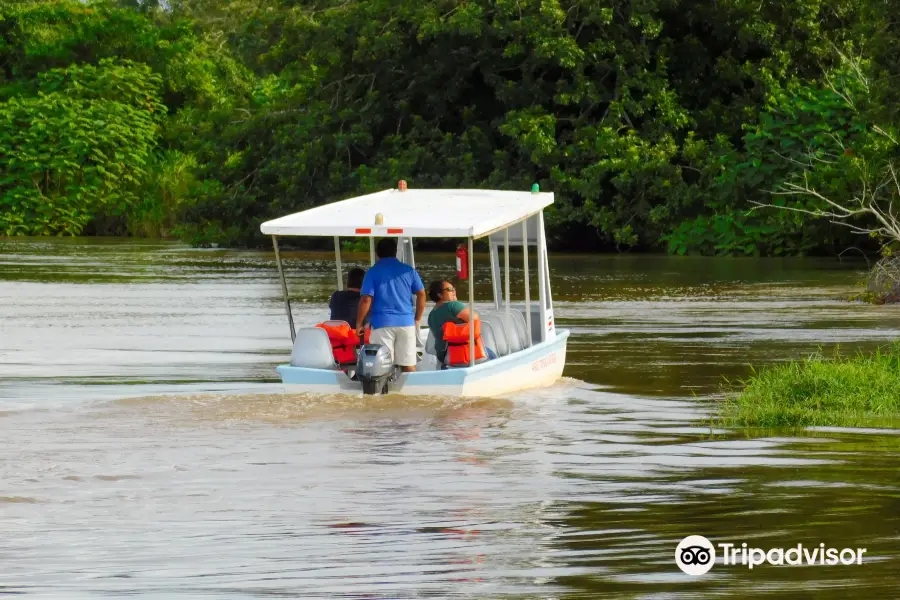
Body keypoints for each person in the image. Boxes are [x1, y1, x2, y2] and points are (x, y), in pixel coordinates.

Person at [356, 238, 426, 372]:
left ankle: (385, 392)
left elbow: (366, 300)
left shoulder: (372, 272)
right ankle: (412, 390)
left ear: (377, 253)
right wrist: (417, 319)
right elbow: (421, 294)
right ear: (395, 252)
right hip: (406, 323)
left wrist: (359, 323)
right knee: (408, 364)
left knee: (383, 364)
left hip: (382, 324)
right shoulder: (409, 271)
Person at [427, 279, 485, 365]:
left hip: (443, 357)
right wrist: (456, 301)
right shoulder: (453, 305)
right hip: (461, 355)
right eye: (450, 289)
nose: (454, 291)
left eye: (454, 288)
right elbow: (475, 318)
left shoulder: (431, 315)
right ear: (439, 295)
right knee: (494, 355)